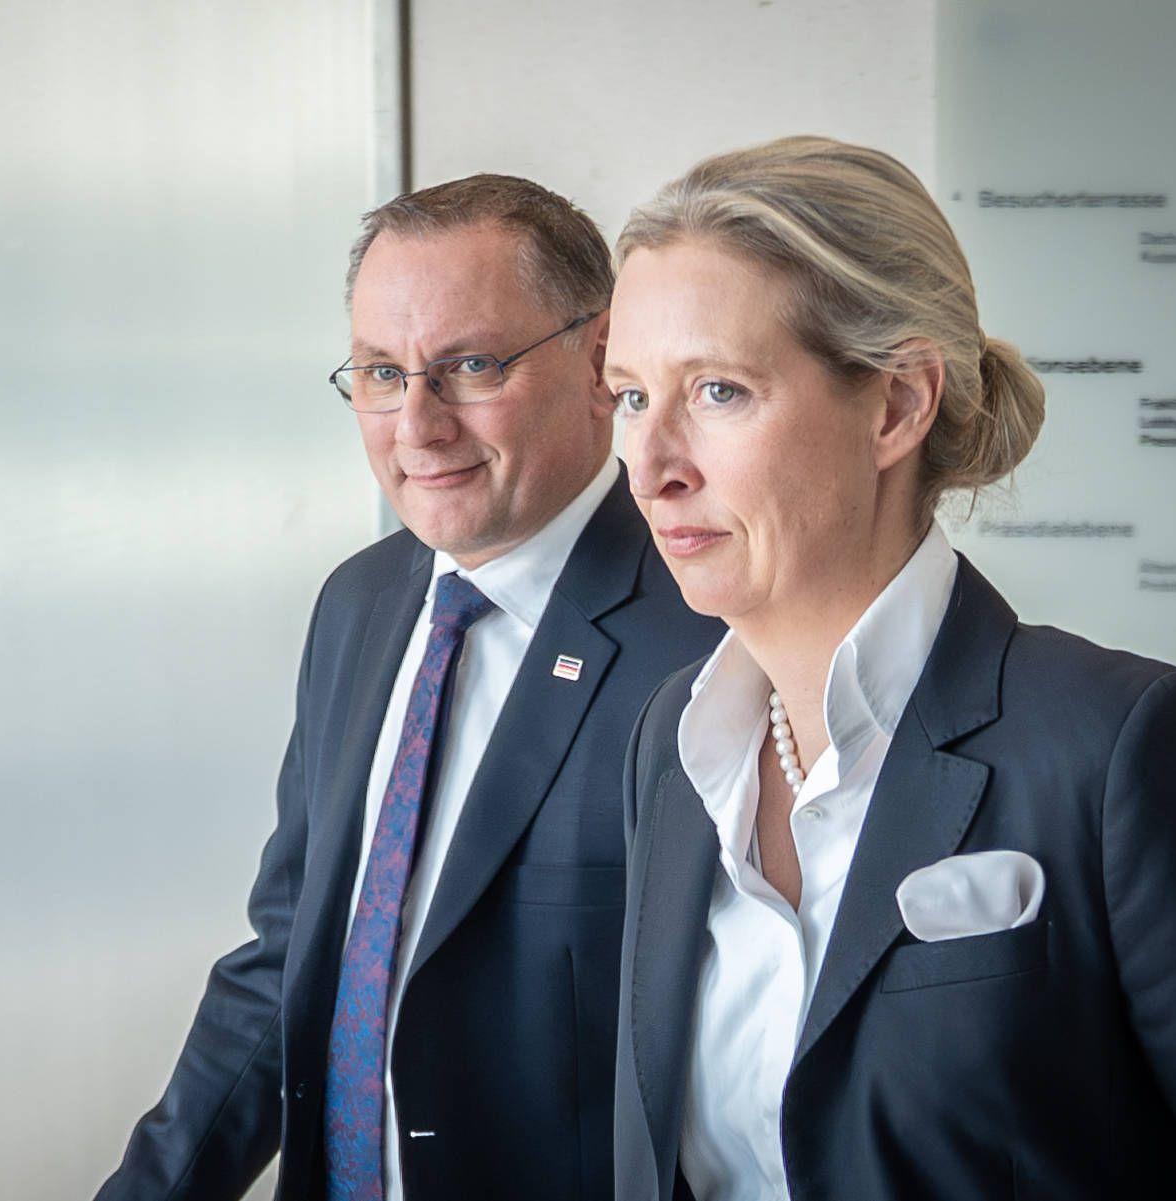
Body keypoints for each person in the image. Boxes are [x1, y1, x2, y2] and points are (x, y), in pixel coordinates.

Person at [604, 136, 1176, 1201]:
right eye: (630, 398)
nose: (650, 466)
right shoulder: (669, 742)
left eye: (719, 392)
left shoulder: (1119, 749)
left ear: (895, 405)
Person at [98, 174, 723, 1201]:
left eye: (470, 365)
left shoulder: (705, 636)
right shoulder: (361, 603)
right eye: (382, 373)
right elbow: (294, 951)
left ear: (600, 357)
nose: (416, 424)